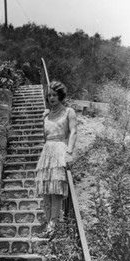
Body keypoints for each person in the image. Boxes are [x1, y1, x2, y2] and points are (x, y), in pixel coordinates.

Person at [35, 81, 77, 234]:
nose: (51, 98)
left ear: (60, 95)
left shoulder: (68, 112)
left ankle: (54, 224)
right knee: (46, 190)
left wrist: (69, 152)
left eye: (54, 94)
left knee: (56, 190)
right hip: (47, 152)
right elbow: (45, 137)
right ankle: (48, 224)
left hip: (60, 149)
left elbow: (73, 132)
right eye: (49, 95)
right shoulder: (45, 115)